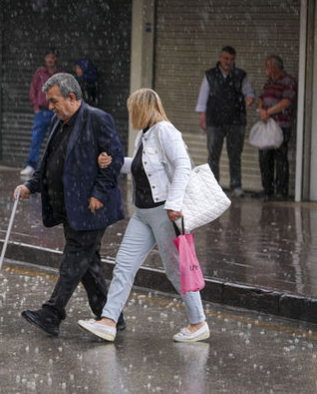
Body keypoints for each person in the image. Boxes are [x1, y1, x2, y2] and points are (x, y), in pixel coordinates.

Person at [78, 88, 208, 343]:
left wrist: (174, 202)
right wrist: (111, 162)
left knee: (176, 269)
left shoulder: (165, 131)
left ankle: (198, 322)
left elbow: (183, 165)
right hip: (143, 213)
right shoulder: (145, 135)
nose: (131, 114)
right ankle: (108, 321)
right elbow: (139, 167)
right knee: (124, 266)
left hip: (163, 212)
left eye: (132, 109)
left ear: (142, 108)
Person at [14, 72, 126, 336]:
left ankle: (52, 313)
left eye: (53, 101)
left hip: (91, 208)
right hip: (69, 206)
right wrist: (31, 185)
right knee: (88, 264)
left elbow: (115, 159)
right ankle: (111, 316)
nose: (49, 106)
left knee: (75, 257)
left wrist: (98, 193)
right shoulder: (59, 121)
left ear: (72, 97)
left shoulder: (97, 119)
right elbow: (48, 160)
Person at [195, 46, 255, 197]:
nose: (228, 62)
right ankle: (213, 186)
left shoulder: (240, 75)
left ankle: (236, 185)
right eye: (226, 59)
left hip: (236, 121)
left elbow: (249, 92)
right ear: (220, 58)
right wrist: (202, 117)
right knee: (213, 154)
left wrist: (250, 98)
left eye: (231, 59)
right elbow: (203, 97)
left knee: (235, 154)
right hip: (215, 121)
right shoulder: (210, 75)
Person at [256, 55, 297, 200]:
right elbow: (260, 98)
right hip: (267, 126)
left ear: (275, 66)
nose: (265, 69)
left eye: (267, 65)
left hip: (281, 126)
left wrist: (269, 112)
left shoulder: (288, 81)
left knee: (280, 158)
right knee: (264, 158)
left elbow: (286, 102)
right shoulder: (268, 82)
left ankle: (281, 191)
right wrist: (261, 110)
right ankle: (267, 189)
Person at [20, 49, 63, 176]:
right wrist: (36, 107)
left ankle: (55, 166)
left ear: (56, 59)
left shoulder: (61, 74)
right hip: (42, 111)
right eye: (48, 57)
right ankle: (31, 165)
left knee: (57, 139)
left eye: (52, 57)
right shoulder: (39, 73)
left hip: (57, 112)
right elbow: (33, 90)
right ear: (45, 59)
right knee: (36, 139)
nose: (50, 60)